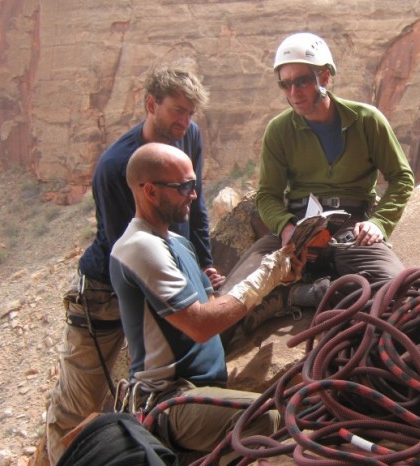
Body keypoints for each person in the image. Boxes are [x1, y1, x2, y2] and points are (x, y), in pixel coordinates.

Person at [45, 60, 225, 464]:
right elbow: (117, 247)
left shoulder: (188, 137)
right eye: (177, 110)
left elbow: (194, 209)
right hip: (106, 292)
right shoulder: (114, 167)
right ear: (150, 104)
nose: (185, 121)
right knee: (81, 398)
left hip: (156, 268)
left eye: (191, 113)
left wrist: (203, 269)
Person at [109, 142, 294, 461]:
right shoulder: (140, 247)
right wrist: (268, 274)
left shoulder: (177, 243)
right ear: (150, 191)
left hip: (197, 390)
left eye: (194, 184)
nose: (193, 195)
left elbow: (211, 305)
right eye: (183, 187)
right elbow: (200, 325)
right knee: (267, 418)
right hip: (171, 397)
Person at [221, 32, 415, 336]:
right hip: (298, 229)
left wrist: (379, 223)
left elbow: (402, 178)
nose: (293, 92)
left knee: (399, 301)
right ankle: (295, 295)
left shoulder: (367, 121)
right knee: (231, 298)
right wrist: (286, 228)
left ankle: (316, 292)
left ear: (324, 77)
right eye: (285, 84)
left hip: (353, 229)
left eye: (302, 81)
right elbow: (268, 195)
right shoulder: (279, 131)